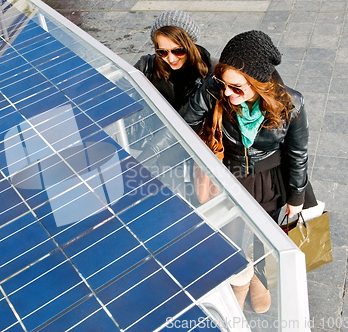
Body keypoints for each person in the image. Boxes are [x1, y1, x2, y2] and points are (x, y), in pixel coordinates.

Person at [180, 30, 317, 313]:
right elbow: (183, 124)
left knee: (266, 238)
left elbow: (297, 153)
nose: (228, 93)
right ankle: (242, 280)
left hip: (269, 178)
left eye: (237, 88)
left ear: (259, 83)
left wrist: (297, 195)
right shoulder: (216, 90)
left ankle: (260, 279)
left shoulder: (292, 103)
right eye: (224, 83)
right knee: (228, 238)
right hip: (229, 176)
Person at [132, 10, 212, 200]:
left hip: (193, 154)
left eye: (178, 50)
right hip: (161, 156)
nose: (171, 58)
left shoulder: (207, 73)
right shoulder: (146, 67)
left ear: (190, 44)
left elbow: (187, 120)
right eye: (162, 52)